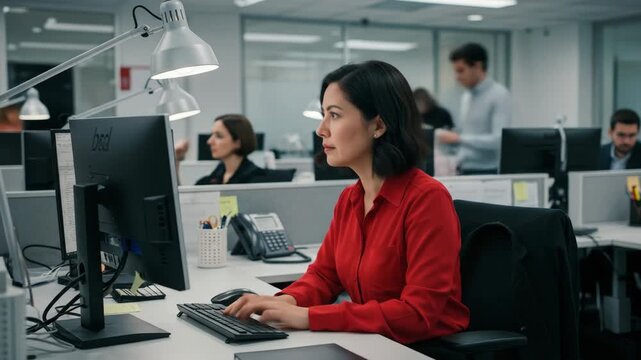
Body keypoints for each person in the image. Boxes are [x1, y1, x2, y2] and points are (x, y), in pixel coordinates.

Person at [224, 61, 469, 344]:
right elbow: (324, 276)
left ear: (377, 125)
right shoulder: (351, 198)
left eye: (335, 115)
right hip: (371, 341)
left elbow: (417, 314)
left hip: (420, 349)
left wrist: (310, 317)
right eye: (322, 115)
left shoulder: (426, 200)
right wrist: (285, 301)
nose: (321, 129)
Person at [437, 42, 511, 175]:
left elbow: (499, 140)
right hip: (463, 168)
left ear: (477, 66)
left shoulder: (499, 94)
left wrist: (458, 138)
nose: (457, 77)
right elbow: (466, 133)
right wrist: (450, 136)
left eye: (461, 70)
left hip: (487, 172)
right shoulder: (466, 96)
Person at [179, 114, 268, 185]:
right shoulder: (212, 179)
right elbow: (187, 200)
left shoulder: (256, 180)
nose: (209, 141)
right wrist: (176, 160)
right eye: (212, 135)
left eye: (219, 136)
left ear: (238, 142)